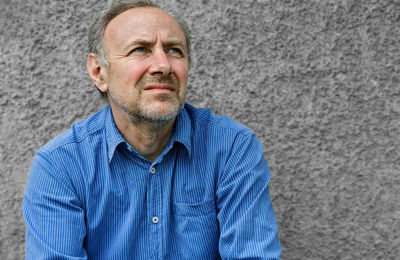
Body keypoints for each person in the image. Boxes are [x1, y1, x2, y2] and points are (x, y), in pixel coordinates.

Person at [22, 1, 281, 259]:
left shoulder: (232, 148)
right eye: (140, 49)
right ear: (99, 72)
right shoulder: (60, 166)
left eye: (174, 50)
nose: (163, 65)